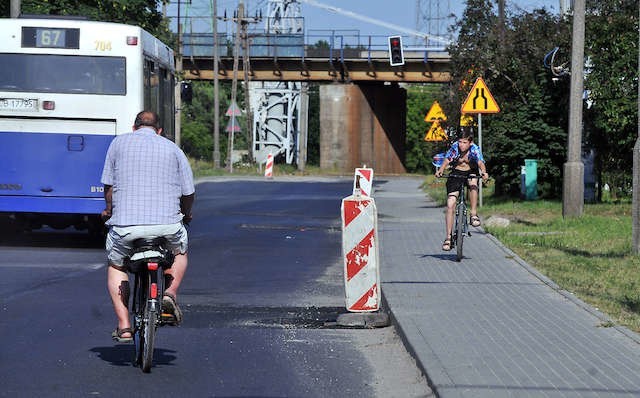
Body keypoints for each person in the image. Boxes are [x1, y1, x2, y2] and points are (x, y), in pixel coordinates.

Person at [101, 110, 195, 342]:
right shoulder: (173, 149)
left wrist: (109, 210)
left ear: (134, 127)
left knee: (116, 265)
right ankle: (170, 294)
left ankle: (124, 326)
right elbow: (188, 192)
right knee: (179, 250)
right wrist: (186, 214)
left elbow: (109, 187)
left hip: (126, 227)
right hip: (166, 226)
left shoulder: (118, 143)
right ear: (159, 130)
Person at [434, 129, 488, 251]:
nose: (461, 145)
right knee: (450, 204)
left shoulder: (474, 149)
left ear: (470, 142)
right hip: (456, 173)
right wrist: (441, 170)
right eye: (460, 142)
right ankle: (448, 237)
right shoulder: (455, 148)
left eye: (464, 142)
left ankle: (473, 214)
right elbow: (447, 160)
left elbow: (480, 162)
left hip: (470, 172)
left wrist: (484, 172)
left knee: (473, 182)